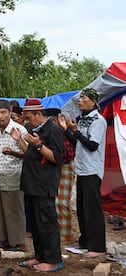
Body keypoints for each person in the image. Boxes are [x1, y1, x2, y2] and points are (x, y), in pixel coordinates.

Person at [13, 99, 64, 272]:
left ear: (39, 114)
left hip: (45, 184)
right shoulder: (32, 130)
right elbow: (30, 153)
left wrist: (39, 144)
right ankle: (40, 256)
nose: (26, 122)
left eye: (29, 118)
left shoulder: (53, 130)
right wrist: (20, 140)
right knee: (35, 223)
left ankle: (53, 259)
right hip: (31, 182)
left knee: (46, 222)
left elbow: (56, 158)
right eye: (25, 119)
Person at [59, 88, 107, 258]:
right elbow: (77, 144)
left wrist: (75, 131)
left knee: (92, 209)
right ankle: (86, 242)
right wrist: (67, 131)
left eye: (83, 98)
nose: (79, 101)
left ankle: (98, 247)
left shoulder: (98, 121)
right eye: (80, 98)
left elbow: (92, 145)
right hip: (81, 169)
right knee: (82, 208)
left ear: (93, 102)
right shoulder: (83, 120)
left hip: (92, 170)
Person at [0, 100, 27, 251]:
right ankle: (3, 239)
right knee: (0, 209)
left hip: (14, 174)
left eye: (3, 112)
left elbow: (28, 154)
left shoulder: (19, 130)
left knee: (13, 209)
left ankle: (18, 242)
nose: (0, 116)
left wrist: (12, 152)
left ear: (9, 112)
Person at [46, 108, 76, 243]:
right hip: (55, 167)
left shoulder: (63, 132)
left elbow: (68, 153)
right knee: (53, 201)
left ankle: (66, 234)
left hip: (65, 166)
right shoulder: (51, 132)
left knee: (62, 202)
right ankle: (58, 232)